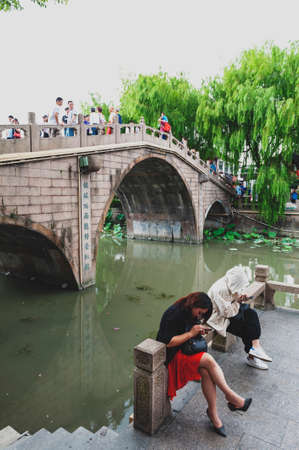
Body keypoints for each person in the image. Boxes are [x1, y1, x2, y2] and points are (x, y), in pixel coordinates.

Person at [157, 292, 252, 437]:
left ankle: (213, 413)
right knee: (207, 360)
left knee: (206, 371)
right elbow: (167, 342)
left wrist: (197, 330)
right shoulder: (174, 313)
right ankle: (231, 397)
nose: (199, 316)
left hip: (184, 351)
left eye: (203, 314)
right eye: (200, 312)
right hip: (172, 357)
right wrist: (190, 334)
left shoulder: (190, 312)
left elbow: (190, 329)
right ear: (193, 304)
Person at [207, 266, 272, 370]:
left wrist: (239, 297)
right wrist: (237, 300)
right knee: (247, 327)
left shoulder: (230, 282)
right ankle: (252, 357)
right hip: (219, 317)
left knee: (252, 314)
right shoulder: (220, 290)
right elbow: (227, 313)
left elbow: (234, 295)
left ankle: (256, 347)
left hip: (230, 310)